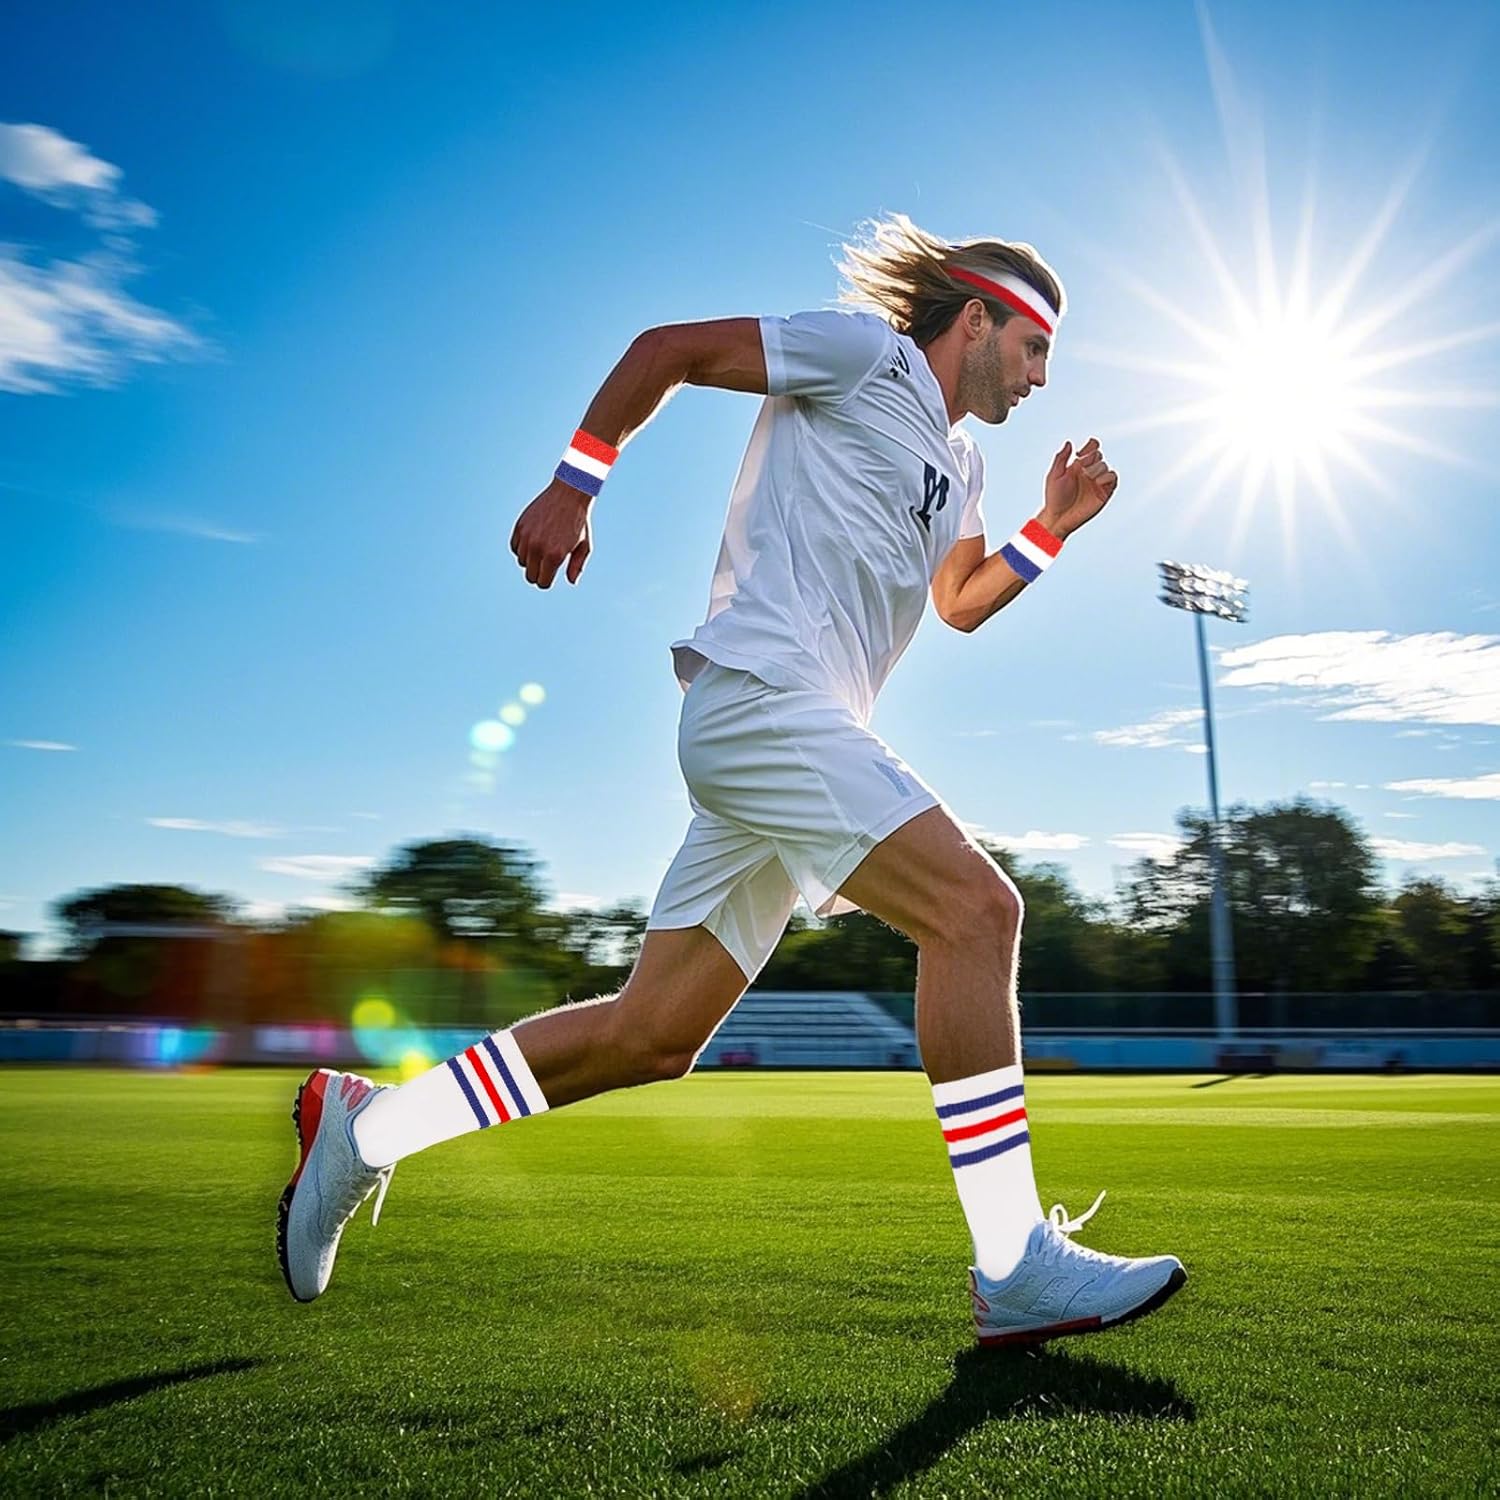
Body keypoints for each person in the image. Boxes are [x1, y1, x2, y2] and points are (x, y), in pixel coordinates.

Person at [277, 213, 1186, 1345]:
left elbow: (956, 604)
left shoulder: (964, 465)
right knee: (976, 912)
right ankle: (1012, 1265)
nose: (1045, 377)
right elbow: (668, 349)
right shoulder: (867, 353)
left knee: (648, 1039)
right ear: (977, 318)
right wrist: (577, 482)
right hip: (764, 700)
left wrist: (1048, 532)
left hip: (791, 739)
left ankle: (363, 1134)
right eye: (1037, 348)